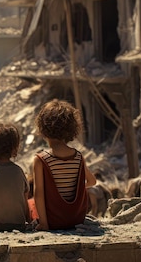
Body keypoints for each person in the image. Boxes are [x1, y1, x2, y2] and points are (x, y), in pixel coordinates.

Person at [33, 99, 96, 231]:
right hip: (76, 219)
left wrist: (44, 224)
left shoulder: (41, 159)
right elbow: (92, 181)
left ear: (43, 128)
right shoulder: (78, 157)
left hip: (53, 220)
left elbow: (38, 194)